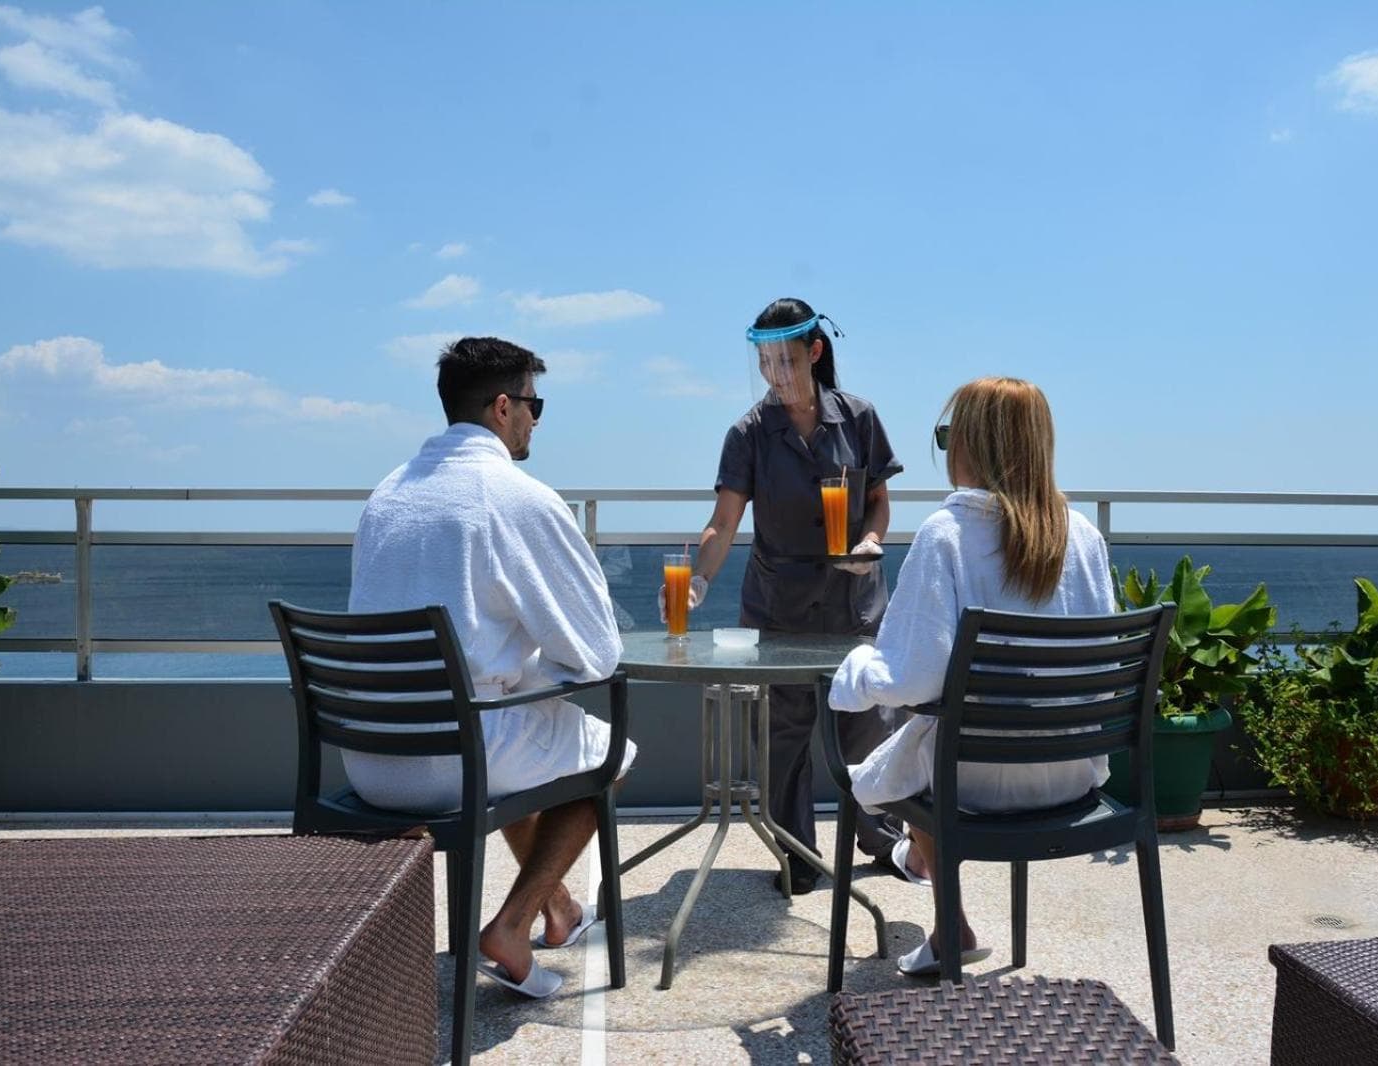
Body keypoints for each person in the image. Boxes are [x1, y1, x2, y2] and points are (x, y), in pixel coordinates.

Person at [347, 336, 635, 1000]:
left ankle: (558, 910)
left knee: (513, 731)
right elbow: (596, 653)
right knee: (608, 754)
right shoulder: (514, 497)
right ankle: (510, 926)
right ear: (503, 408)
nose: (536, 419)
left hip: (366, 753)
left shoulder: (387, 495)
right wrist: (534, 666)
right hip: (453, 760)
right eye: (535, 404)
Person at [827, 376, 1117, 976]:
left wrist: (856, 670)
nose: (944, 449)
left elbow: (912, 678)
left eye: (946, 435)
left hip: (975, 787)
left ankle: (938, 895)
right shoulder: (1084, 538)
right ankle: (940, 908)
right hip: (1072, 776)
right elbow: (1105, 668)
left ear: (973, 443)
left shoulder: (948, 535)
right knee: (929, 743)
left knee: (911, 749)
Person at [673, 297, 909, 894]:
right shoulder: (748, 433)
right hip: (779, 607)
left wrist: (871, 541)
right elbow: (723, 522)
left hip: (854, 600)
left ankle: (882, 839)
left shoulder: (859, 418)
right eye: (765, 362)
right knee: (783, 735)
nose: (775, 374)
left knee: (869, 725)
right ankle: (797, 852)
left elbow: (878, 500)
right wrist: (700, 577)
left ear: (815, 352)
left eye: (786, 360)